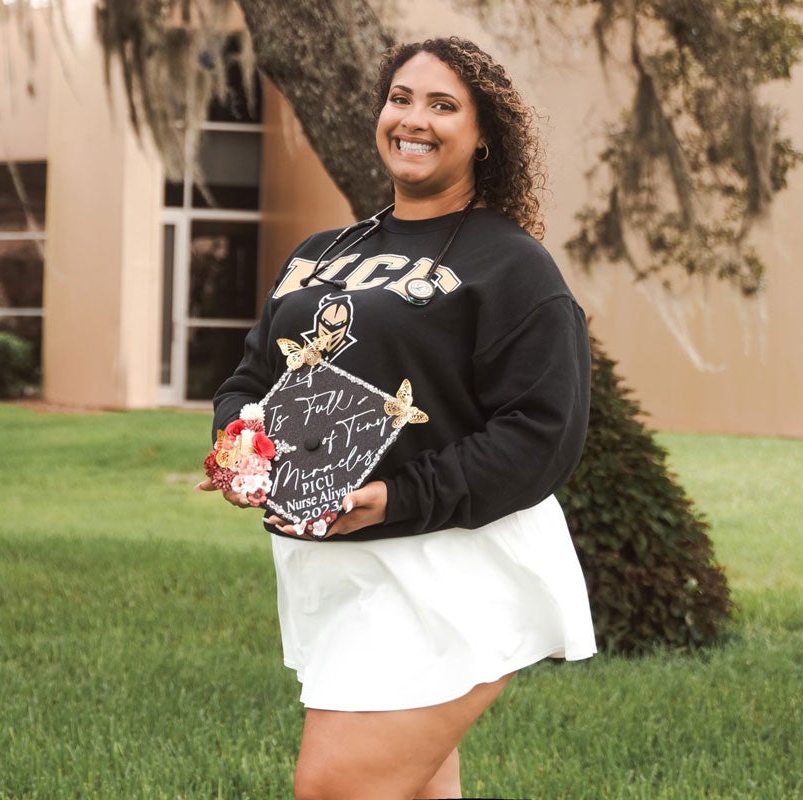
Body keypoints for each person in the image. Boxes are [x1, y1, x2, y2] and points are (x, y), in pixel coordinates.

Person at [200, 36, 596, 800]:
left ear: (484, 136)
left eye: (444, 105)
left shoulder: (511, 265)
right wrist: (238, 443)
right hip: (334, 564)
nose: (414, 119)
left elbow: (544, 431)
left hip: (449, 565)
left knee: (336, 786)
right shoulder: (324, 250)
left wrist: (402, 497)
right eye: (401, 99)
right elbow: (252, 375)